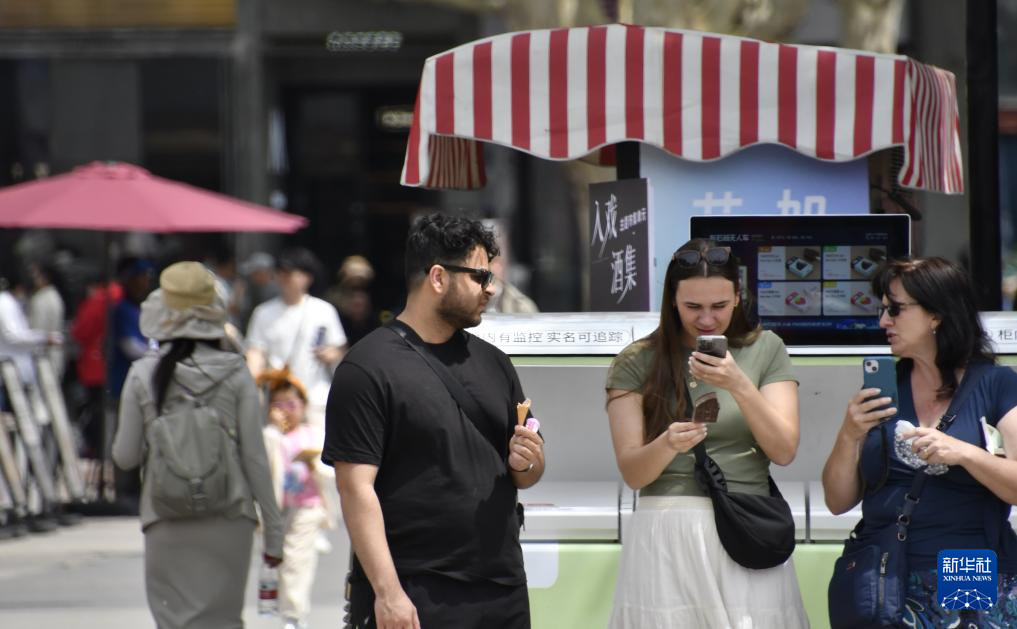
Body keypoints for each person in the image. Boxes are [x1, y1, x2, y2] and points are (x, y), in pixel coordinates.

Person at [323, 214, 546, 629]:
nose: (491, 289)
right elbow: (355, 489)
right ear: (439, 277)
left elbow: (528, 472)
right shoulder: (367, 368)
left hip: (503, 586)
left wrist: (528, 460)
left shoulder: (494, 362)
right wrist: (388, 593)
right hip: (416, 590)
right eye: (480, 277)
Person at [605, 239, 807, 628]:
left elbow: (784, 450)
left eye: (719, 306)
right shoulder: (636, 360)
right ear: (672, 301)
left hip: (746, 526)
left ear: (738, 298)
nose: (707, 319)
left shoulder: (766, 349)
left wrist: (738, 384)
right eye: (693, 307)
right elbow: (633, 472)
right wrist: (668, 443)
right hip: (668, 527)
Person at [822, 257, 1017, 627]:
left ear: (936, 315)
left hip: (966, 562)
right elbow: (837, 501)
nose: (884, 321)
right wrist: (849, 434)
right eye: (882, 310)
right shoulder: (884, 389)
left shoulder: (996, 385)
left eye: (895, 309)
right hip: (884, 567)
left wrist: (965, 454)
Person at [112, 261, 284, 629]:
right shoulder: (236, 371)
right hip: (231, 517)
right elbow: (255, 457)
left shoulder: (143, 373)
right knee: (224, 621)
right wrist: (274, 530)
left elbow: (124, 457)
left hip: (165, 516)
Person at [260, 368, 336, 629]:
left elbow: (330, 472)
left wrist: (313, 463)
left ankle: (294, 616)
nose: (285, 411)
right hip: (280, 510)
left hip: (308, 507)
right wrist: (274, 429)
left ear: (303, 406)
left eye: (291, 404)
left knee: (296, 561)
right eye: (278, 405)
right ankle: (288, 610)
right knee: (279, 562)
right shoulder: (271, 436)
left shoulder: (313, 434)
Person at [246, 247, 347, 431]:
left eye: (290, 272)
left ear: (307, 277)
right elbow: (255, 353)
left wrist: (332, 354)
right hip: (279, 401)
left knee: (316, 447)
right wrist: (255, 387)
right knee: (277, 447)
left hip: (316, 399)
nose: (284, 277)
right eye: (280, 272)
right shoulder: (263, 313)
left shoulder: (324, 310)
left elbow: (340, 350)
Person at [27, 260, 66, 379]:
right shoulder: (55, 295)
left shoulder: (42, 299)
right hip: (54, 353)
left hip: (44, 355)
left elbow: (38, 329)